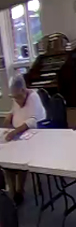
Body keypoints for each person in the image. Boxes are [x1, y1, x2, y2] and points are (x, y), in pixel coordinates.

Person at [2, 73, 46, 205]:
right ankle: (12, 192)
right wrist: (9, 116)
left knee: (20, 158)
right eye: (13, 98)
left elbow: (32, 121)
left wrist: (15, 130)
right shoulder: (17, 98)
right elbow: (13, 110)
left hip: (35, 135)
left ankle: (19, 191)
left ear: (23, 90)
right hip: (18, 135)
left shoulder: (33, 98)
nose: (16, 100)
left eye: (17, 97)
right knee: (6, 159)